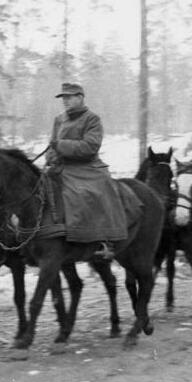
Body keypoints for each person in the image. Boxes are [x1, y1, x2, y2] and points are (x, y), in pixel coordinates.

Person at [46, 82, 127, 260]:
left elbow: (89, 146)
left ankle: (105, 239)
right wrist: (51, 157)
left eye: (69, 97)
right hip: (62, 166)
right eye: (63, 98)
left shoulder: (92, 119)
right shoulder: (59, 119)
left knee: (96, 191)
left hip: (86, 166)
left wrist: (60, 145)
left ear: (80, 98)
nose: (65, 101)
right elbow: (53, 144)